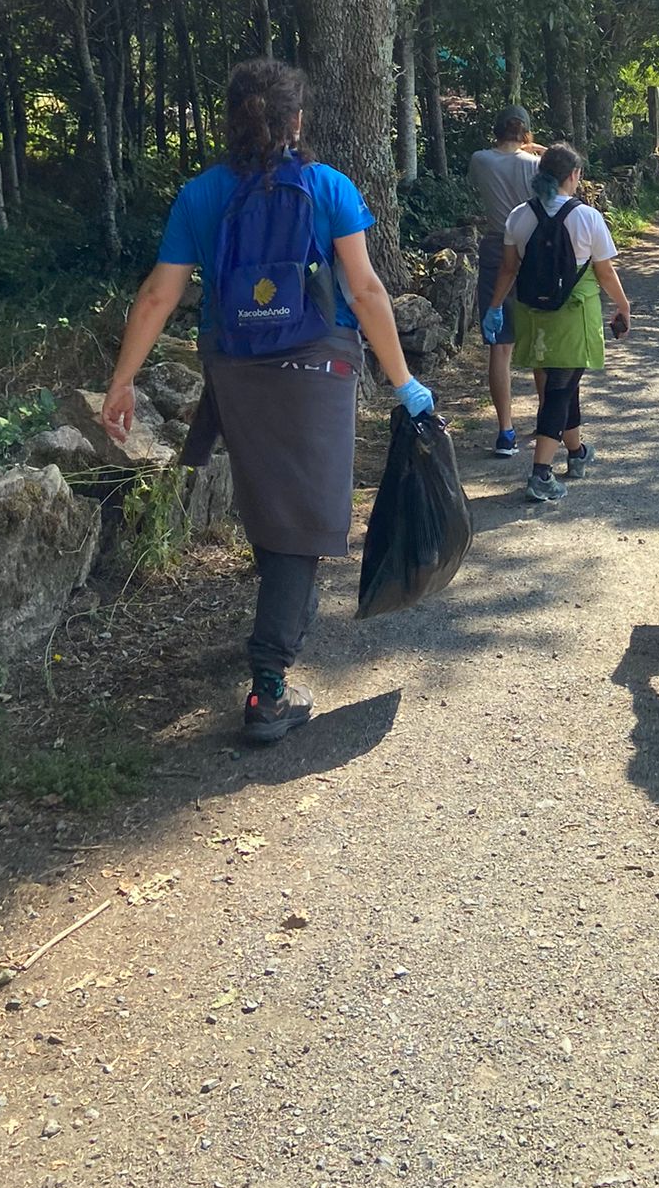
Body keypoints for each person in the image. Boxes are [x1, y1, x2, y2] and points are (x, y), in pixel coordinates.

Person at [100, 58, 434, 744]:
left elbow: (160, 294)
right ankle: (269, 687)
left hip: (234, 367)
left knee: (267, 502)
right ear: (297, 120)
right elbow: (366, 292)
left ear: (233, 120)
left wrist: (122, 379)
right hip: (317, 365)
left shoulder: (200, 195)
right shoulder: (328, 188)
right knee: (304, 522)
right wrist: (403, 381)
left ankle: (273, 625)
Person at [482, 142, 632, 505]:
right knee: (560, 390)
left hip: (533, 316)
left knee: (564, 383)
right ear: (573, 176)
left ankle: (577, 452)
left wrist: (495, 306)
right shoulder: (587, 217)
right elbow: (604, 271)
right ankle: (541, 473)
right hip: (573, 315)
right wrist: (623, 306)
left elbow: (508, 268)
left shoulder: (519, 216)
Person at [467, 107, 544, 457]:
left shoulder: (480, 160)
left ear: (495, 131)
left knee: (500, 347)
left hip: (496, 247)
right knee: (539, 339)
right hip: (531, 248)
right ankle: (546, 418)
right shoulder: (534, 165)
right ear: (526, 133)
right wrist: (536, 150)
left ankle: (505, 431)